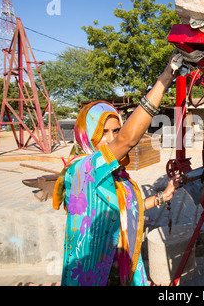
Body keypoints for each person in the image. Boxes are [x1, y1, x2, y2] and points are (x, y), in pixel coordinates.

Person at [52, 57, 180, 286]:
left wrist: (163, 195)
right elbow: (127, 140)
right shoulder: (82, 170)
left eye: (116, 130)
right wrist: (165, 78)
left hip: (121, 273)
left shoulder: (114, 174)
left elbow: (128, 208)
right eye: (103, 132)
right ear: (85, 133)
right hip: (91, 278)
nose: (111, 138)